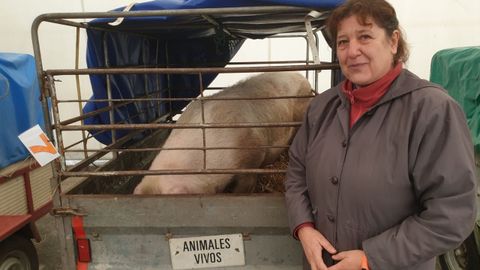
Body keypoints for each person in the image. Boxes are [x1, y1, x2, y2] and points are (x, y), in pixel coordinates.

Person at [284, 0, 477, 269]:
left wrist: (370, 257)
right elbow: (296, 171)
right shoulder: (321, 108)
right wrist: (304, 227)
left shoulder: (431, 110)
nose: (352, 51)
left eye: (365, 36)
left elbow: (452, 213)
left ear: (393, 41)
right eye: (343, 42)